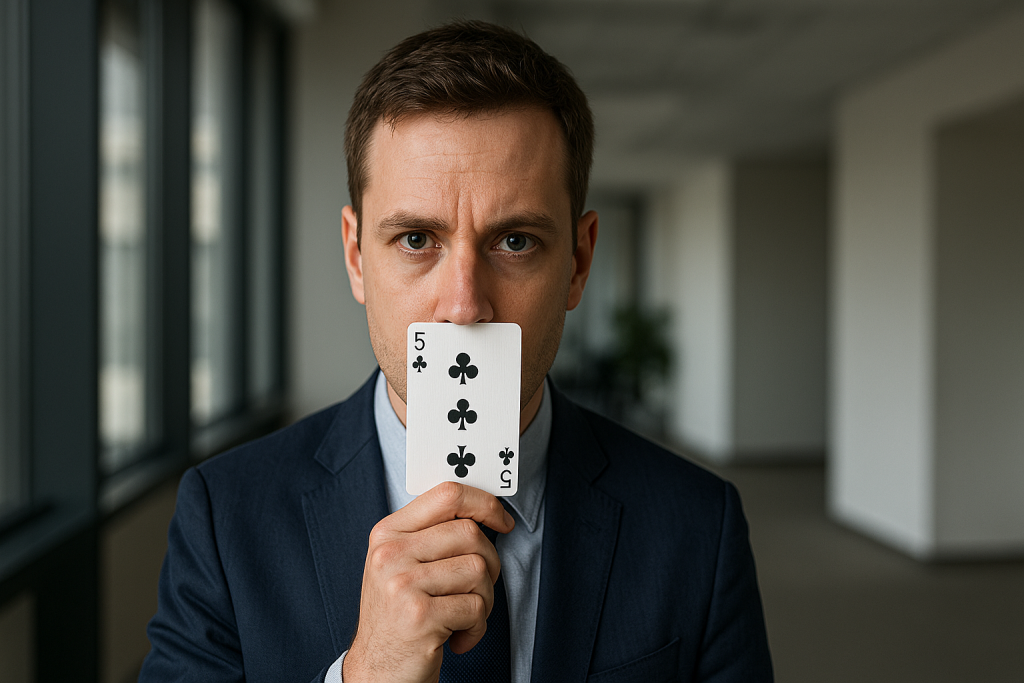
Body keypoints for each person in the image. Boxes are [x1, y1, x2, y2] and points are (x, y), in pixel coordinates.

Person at [140, 20, 773, 683]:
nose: (464, 305)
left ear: (580, 261)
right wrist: (368, 672)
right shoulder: (224, 514)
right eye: (417, 239)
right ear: (357, 257)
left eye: (516, 241)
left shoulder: (700, 526)